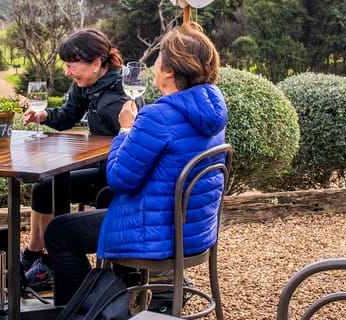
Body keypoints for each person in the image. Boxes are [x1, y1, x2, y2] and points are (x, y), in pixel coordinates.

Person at [43, 21, 228, 306]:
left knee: (59, 232)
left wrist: (126, 130)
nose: (155, 64)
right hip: (194, 229)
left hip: (156, 231)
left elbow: (119, 177)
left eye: (159, 57)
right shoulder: (210, 110)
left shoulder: (158, 116)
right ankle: (135, 288)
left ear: (169, 71)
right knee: (105, 197)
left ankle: (90, 310)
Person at [20, 28, 129, 287]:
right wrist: (44, 115)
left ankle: (53, 263)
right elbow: (68, 116)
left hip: (116, 177)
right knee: (44, 189)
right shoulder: (86, 85)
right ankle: (35, 254)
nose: (67, 72)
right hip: (101, 167)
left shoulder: (121, 96)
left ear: (96, 63)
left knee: (54, 193)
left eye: (71, 66)